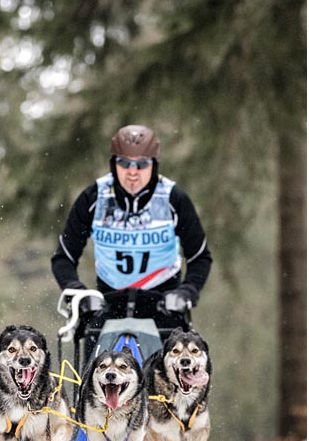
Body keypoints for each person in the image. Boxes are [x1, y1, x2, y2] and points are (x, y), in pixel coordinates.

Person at [51, 124, 212, 326]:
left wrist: (187, 292)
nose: (133, 172)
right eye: (124, 163)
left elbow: (200, 257)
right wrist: (78, 293)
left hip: (163, 306)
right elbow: (63, 257)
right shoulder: (94, 197)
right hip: (108, 305)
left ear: (154, 165)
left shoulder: (173, 198)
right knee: (94, 352)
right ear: (113, 164)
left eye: (142, 164)